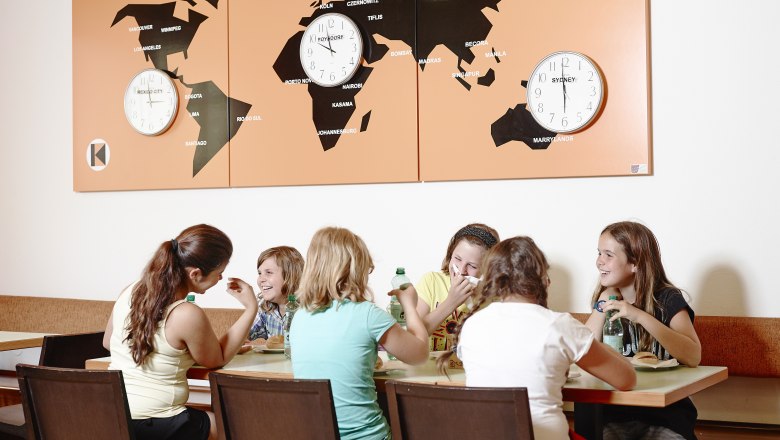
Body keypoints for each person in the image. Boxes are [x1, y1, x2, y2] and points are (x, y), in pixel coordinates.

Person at [438, 236, 636, 440]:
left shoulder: (472, 325)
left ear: (492, 279)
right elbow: (626, 380)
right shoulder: (559, 325)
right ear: (544, 280)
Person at [103, 224, 258, 440]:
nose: (221, 279)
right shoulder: (186, 313)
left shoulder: (131, 290)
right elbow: (217, 359)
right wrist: (251, 308)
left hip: (112, 414)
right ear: (195, 274)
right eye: (219, 273)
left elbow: (109, 342)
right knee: (235, 428)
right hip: (157, 422)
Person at [290, 226, 429, 440]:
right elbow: (419, 355)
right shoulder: (368, 315)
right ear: (356, 270)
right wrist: (409, 306)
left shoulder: (299, 316)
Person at [583, 221, 702, 440]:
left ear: (635, 263)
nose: (599, 261)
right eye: (599, 253)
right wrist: (602, 302)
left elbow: (693, 356)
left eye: (609, 254)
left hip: (666, 416)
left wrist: (639, 316)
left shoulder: (668, 299)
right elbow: (580, 351)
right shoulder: (606, 301)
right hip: (615, 415)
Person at [415, 223, 499, 351]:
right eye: (457, 259)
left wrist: (478, 299)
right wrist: (451, 302)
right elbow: (414, 336)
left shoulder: (495, 296)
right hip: (431, 369)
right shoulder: (431, 281)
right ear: (450, 254)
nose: (461, 270)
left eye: (472, 266)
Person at [247, 246, 304, 343]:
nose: (261, 279)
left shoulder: (307, 309)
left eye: (268, 272)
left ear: (290, 276)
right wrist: (250, 306)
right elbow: (241, 337)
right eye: (259, 273)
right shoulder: (264, 306)